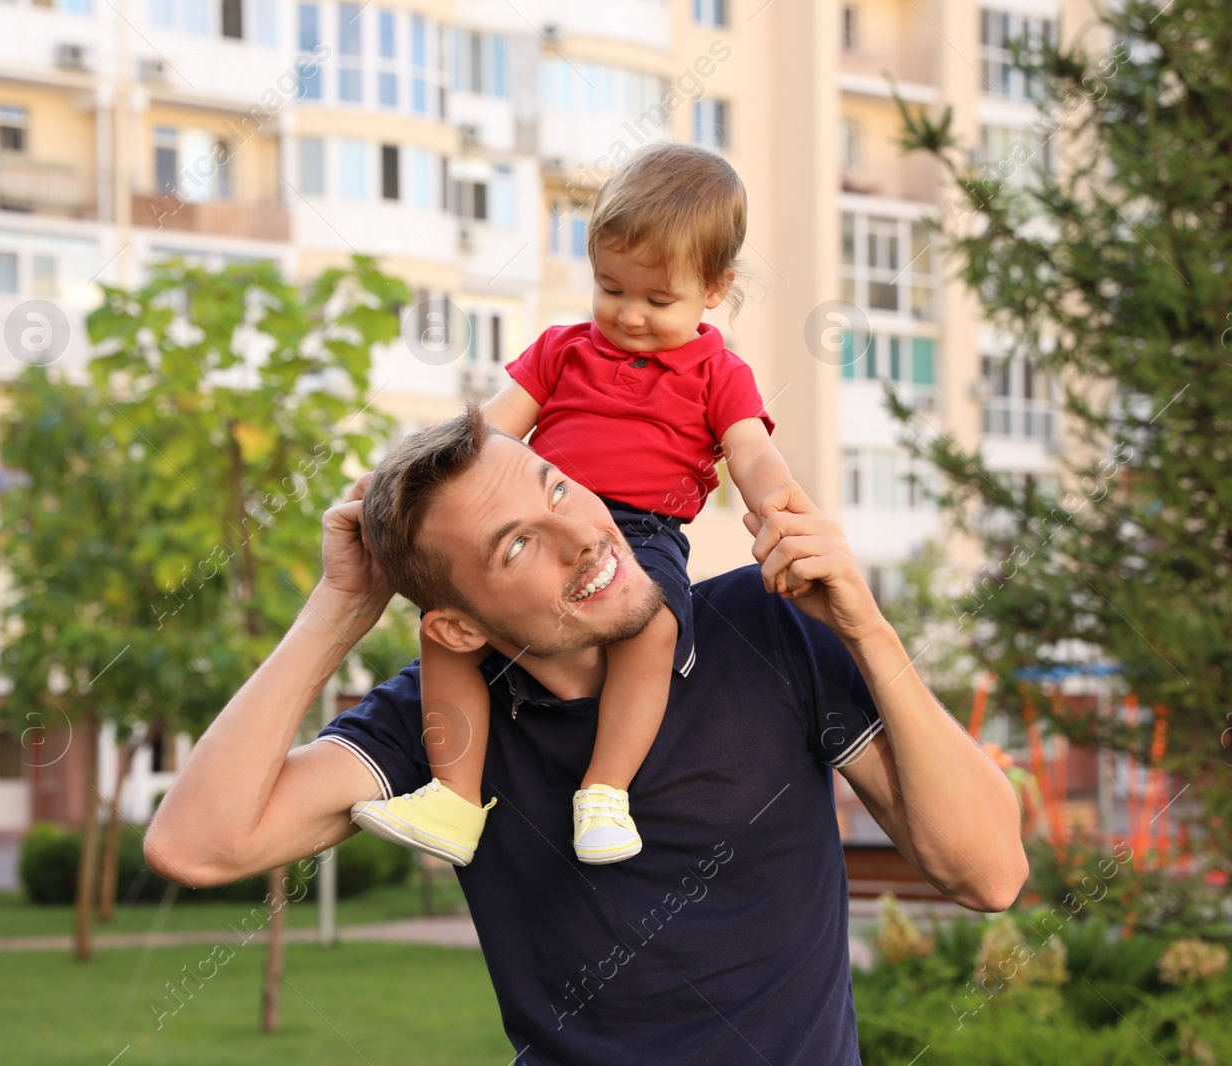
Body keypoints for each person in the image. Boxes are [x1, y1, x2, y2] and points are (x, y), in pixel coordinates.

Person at [144, 410, 1028, 1063]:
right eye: (517, 546)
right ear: (456, 627)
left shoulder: (770, 630)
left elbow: (987, 871)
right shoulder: (446, 725)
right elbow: (199, 843)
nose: (582, 536)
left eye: (556, 486)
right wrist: (339, 609)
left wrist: (870, 631)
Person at [350, 143, 795, 868]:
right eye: (610, 289)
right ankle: (456, 798)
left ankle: (604, 790)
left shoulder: (718, 371)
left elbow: (749, 450)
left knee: (649, 628)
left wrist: (778, 504)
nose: (630, 315)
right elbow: (489, 432)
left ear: (715, 289)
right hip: (544, 522)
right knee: (450, 627)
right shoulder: (562, 351)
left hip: (642, 537)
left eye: (658, 300)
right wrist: (409, 483)